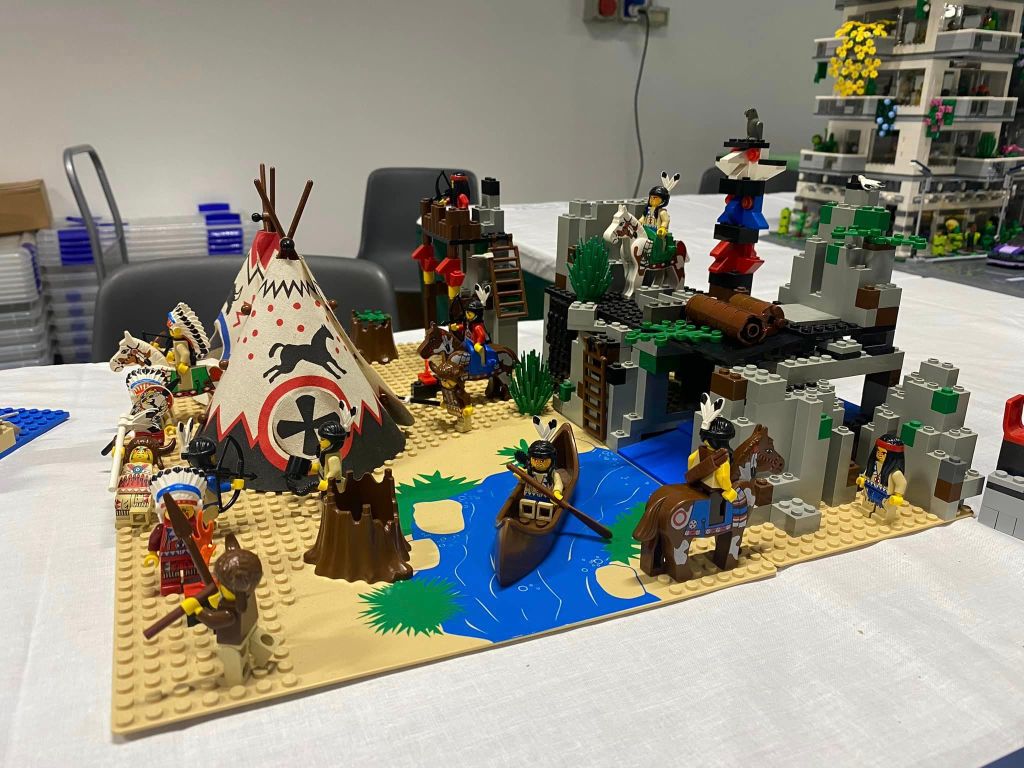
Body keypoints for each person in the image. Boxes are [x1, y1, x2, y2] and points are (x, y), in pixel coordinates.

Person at [179, 534, 278, 686]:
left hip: (234, 642)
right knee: (257, 643)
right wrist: (217, 599)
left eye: (221, 583)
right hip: (250, 628)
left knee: (235, 661)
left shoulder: (231, 611)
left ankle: (236, 681)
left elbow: (213, 621)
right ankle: (262, 658)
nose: (218, 584)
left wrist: (197, 610)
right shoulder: (248, 595)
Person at [685, 393, 739, 527]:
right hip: (712, 490)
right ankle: (716, 524)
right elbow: (723, 477)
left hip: (697, 484)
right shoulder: (722, 458)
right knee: (722, 504)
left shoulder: (700, 451)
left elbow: (691, 460)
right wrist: (728, 490)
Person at [514, 418, 563, 525]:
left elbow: (558, 483)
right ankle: (525, 515)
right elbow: (523, 481)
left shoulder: (553, 474)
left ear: (551, 460)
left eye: (542, 460)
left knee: (544, 507)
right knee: (527, 504)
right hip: (529, 495)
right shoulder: (529, 471)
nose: (539, 463)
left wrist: (557, 492)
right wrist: (521, 477)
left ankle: (543, 518)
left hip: (546, 497)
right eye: (535, 460)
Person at [857, 434, 907, 520]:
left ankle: (882, 517)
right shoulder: (873, 464)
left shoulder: (894, 472)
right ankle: (867, 509)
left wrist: (898, 496)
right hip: (871, 488)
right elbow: (868, 472)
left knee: (883, 509)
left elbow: (902, 483)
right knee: (868, 501)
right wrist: (863, 478)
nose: (879, 454)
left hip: (885, 493)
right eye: (878, 451)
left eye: (883, 453)